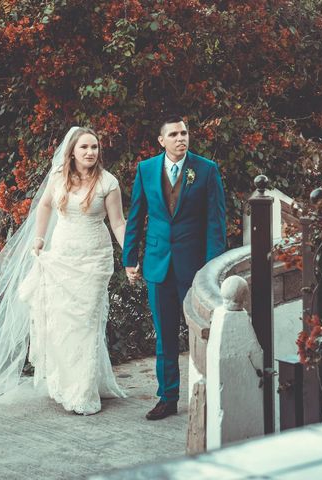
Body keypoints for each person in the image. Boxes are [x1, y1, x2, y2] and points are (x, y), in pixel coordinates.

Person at [0, 126, 126, 415]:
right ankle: (66, 383)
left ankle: (84, 391)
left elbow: (118, 223)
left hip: (93, 259)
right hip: (61, 256)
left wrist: (132, 255)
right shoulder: (58, 178)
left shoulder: (108, 183)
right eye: (84, 147)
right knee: (64, 323)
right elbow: (45, 206)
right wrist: (39, 238)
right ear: (72, 151)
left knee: (87, 323)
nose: (90, 152)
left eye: (95, 147)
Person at [122, 115, 226, 420]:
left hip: (194, 269)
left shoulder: (206, 170)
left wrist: (212, 269)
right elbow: (136, 216)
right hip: (157, 265)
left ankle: (209, 392)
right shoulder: (146, 169)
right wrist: (130, 258)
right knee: (165, 336)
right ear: (162, 140)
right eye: (174, 134)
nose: (181, 138)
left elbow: (215, 223)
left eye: (184, 133)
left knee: (204, 334)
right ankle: (167, 397)